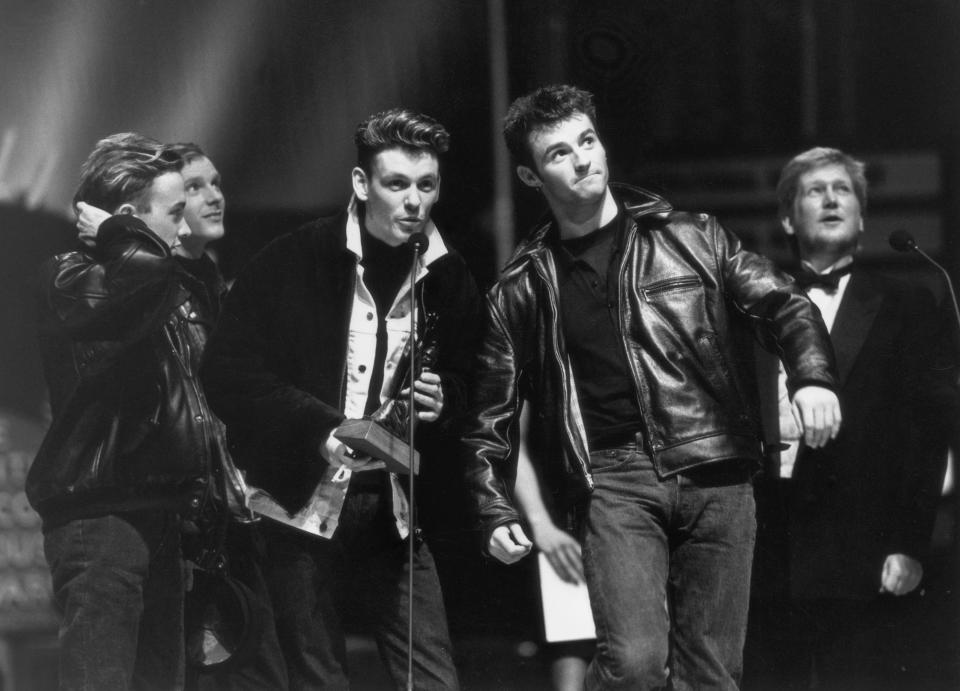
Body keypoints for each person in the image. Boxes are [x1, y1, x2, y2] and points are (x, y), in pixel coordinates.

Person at [459, 84, 843, 690]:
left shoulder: (692, 235)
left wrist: (812, 377)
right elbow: (488, 415)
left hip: (715, 462)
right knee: (635, 664)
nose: (584, 159)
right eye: (559, 153)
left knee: (711, 677)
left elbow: (787, 304)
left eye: (588, 140)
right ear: (531, 178)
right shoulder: (522, 287)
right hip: (614, 480)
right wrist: (491, 508)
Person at [200, 108, 478, 689]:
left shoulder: (448, 276)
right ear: (361, 184)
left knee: (432, 677)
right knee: (317, 678)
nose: (414, 202)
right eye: (396, 184)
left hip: (392, 508)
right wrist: (319, 428)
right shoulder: (292, 259)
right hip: (299, 502)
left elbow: (474, 380)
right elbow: (228, 371)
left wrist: (444, 397)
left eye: (426, 186)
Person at [28, 132, 247, 690]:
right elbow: (137, 280)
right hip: (101, 520)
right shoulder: (70, 277)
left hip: (163, 515)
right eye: (174, 212)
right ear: (124, 219)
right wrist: (116, 232)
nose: (185, 225)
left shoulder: (165, 285)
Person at [746, 147, 958, 690]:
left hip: (861, 549)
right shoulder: (751, 303)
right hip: (766, 545)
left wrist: (909, 543)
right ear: (789, 217)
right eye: (814, 190)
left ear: (863, 218)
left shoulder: (909, 303)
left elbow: (926, 435)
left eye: (843, 190)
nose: (831, 199)